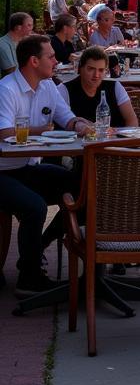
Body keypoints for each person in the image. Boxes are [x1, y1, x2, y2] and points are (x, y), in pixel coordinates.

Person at [0, 34, 89, 296]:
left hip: (27, 168)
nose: (56, 60)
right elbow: (3, 132)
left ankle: (39, 247)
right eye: (51, 56)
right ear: (33, 61)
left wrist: (80, 125)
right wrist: (41, 130)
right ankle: (29, 279)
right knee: (34, 207)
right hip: (3, 171)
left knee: (81, 187)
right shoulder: (7, 89)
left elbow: (67, 118)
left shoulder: (48, 85)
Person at [59, 46, 137, 128]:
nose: (96, 75)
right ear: (80, 68)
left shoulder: (115, 87)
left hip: (114, 139)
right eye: (91, 69)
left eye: (101, 70)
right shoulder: (65, 90)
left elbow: (132, 120)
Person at [0, 12, 34, 78]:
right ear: (18, 27)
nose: (32, 28)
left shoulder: (23, 42)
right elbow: (12, 73)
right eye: (29, 25)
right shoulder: (3, 45)